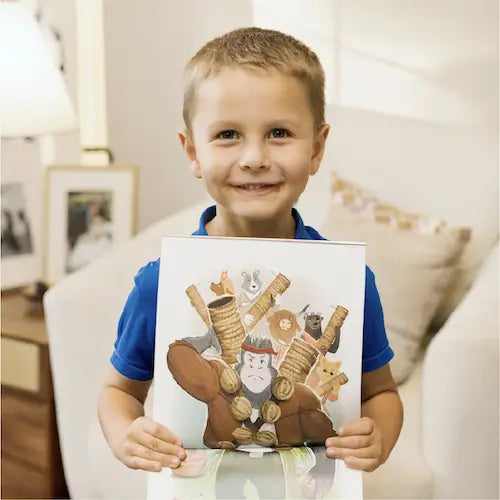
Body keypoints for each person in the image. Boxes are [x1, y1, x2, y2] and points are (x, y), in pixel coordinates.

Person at [98, 27, 403, 475]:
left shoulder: (350, 281)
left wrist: (379, 435)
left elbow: (382, 394)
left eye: (279, 132)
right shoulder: (160, 283)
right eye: (227, 134)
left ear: (317, 148)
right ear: (192, 151)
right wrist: (127, 435)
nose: (254, 157)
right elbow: (118, 391)